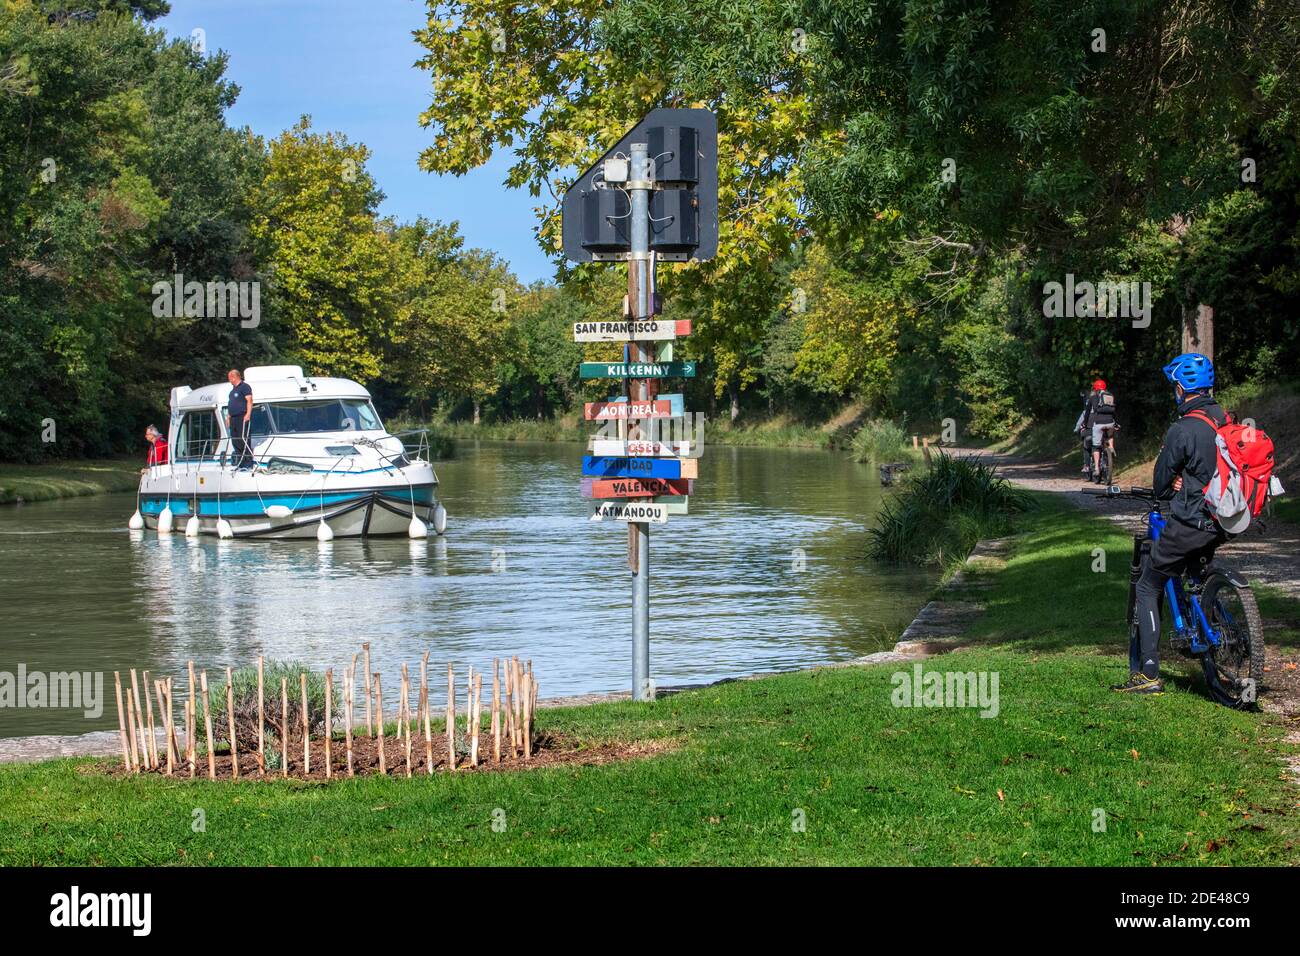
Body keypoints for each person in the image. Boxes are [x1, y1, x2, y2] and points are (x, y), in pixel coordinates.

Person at [1112, 352, 1226, 695]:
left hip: (1192, 519)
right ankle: (1208, 621)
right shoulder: (1225, 420)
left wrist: (1174, 484)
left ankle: (1147, 675)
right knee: (1193, 574)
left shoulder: (1183, 428)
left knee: (1148, 585)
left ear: (1181, 388)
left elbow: (1162, 482)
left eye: (1174, 388)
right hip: (1221, 519)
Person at [1074, 378, 1117, 481]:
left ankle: (1097, 468)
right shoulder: (1109, 396)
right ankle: (1111, 447)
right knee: (1110, 435)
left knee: (1096, 446)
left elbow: (1087, 413)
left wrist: (1084, 424)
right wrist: (1116, 423)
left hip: (1098, 425)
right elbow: (1114, 410)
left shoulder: (1093, 398)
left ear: (1095, 388)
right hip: (1110, 422)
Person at [225, 368, 254, 470]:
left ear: (235, 377)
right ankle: (240, 462)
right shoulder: (232, 391)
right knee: (235, 440)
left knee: (243, 439)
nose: (229, 380)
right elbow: (230, 404)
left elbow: (249, 401)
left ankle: (248, 463)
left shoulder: (245, 387)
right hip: (233, 418)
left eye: (230, 378)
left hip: (242, 416)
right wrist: (228, 417)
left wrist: (248, 414)